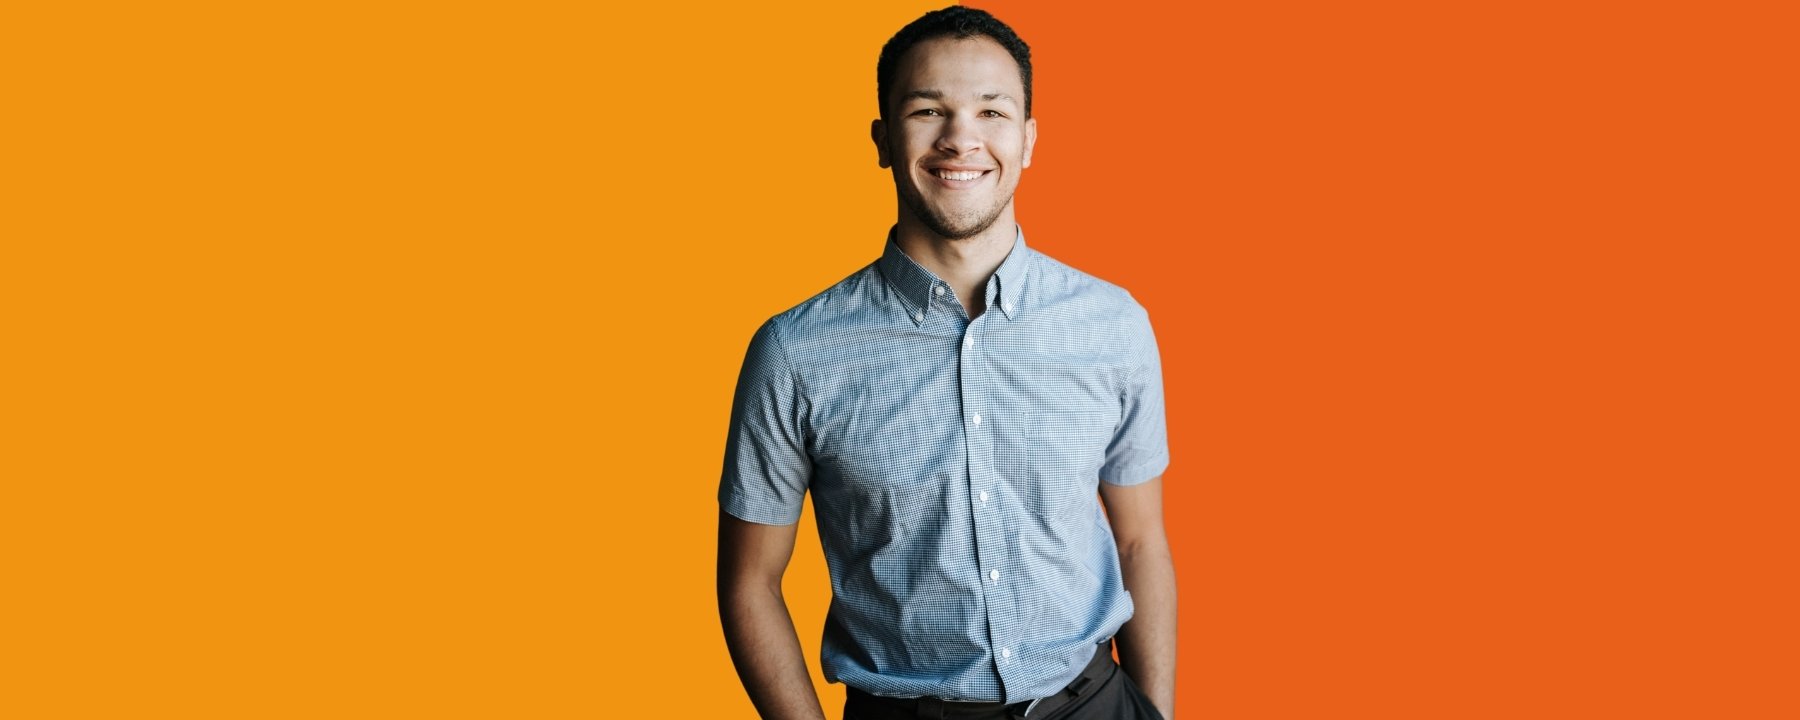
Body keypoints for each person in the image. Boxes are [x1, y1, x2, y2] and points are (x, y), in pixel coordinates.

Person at [717, 7, 1175, 719]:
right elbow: (750, 581)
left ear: (1027, 140)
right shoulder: (794, 352)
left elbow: (1141, 538)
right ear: (882, 139)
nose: (962, 137)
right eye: (929, 110)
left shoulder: (1112, 325)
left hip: (1095, 702)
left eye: (992, 111)